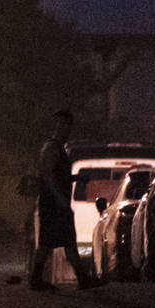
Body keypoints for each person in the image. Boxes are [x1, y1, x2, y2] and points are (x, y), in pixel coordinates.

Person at [28, 110, 105, 291]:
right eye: (60, 125)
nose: (63, 128)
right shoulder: (51, 148)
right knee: (49, 242)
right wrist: (59, 197)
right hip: (53, 204)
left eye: (66, 125)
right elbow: (47, 175)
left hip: (57, 203)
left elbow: (57, 175)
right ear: (55, 126)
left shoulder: (59, 149)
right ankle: (38, 279)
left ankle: (79, 279)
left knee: (66, 241)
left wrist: (75, 178)